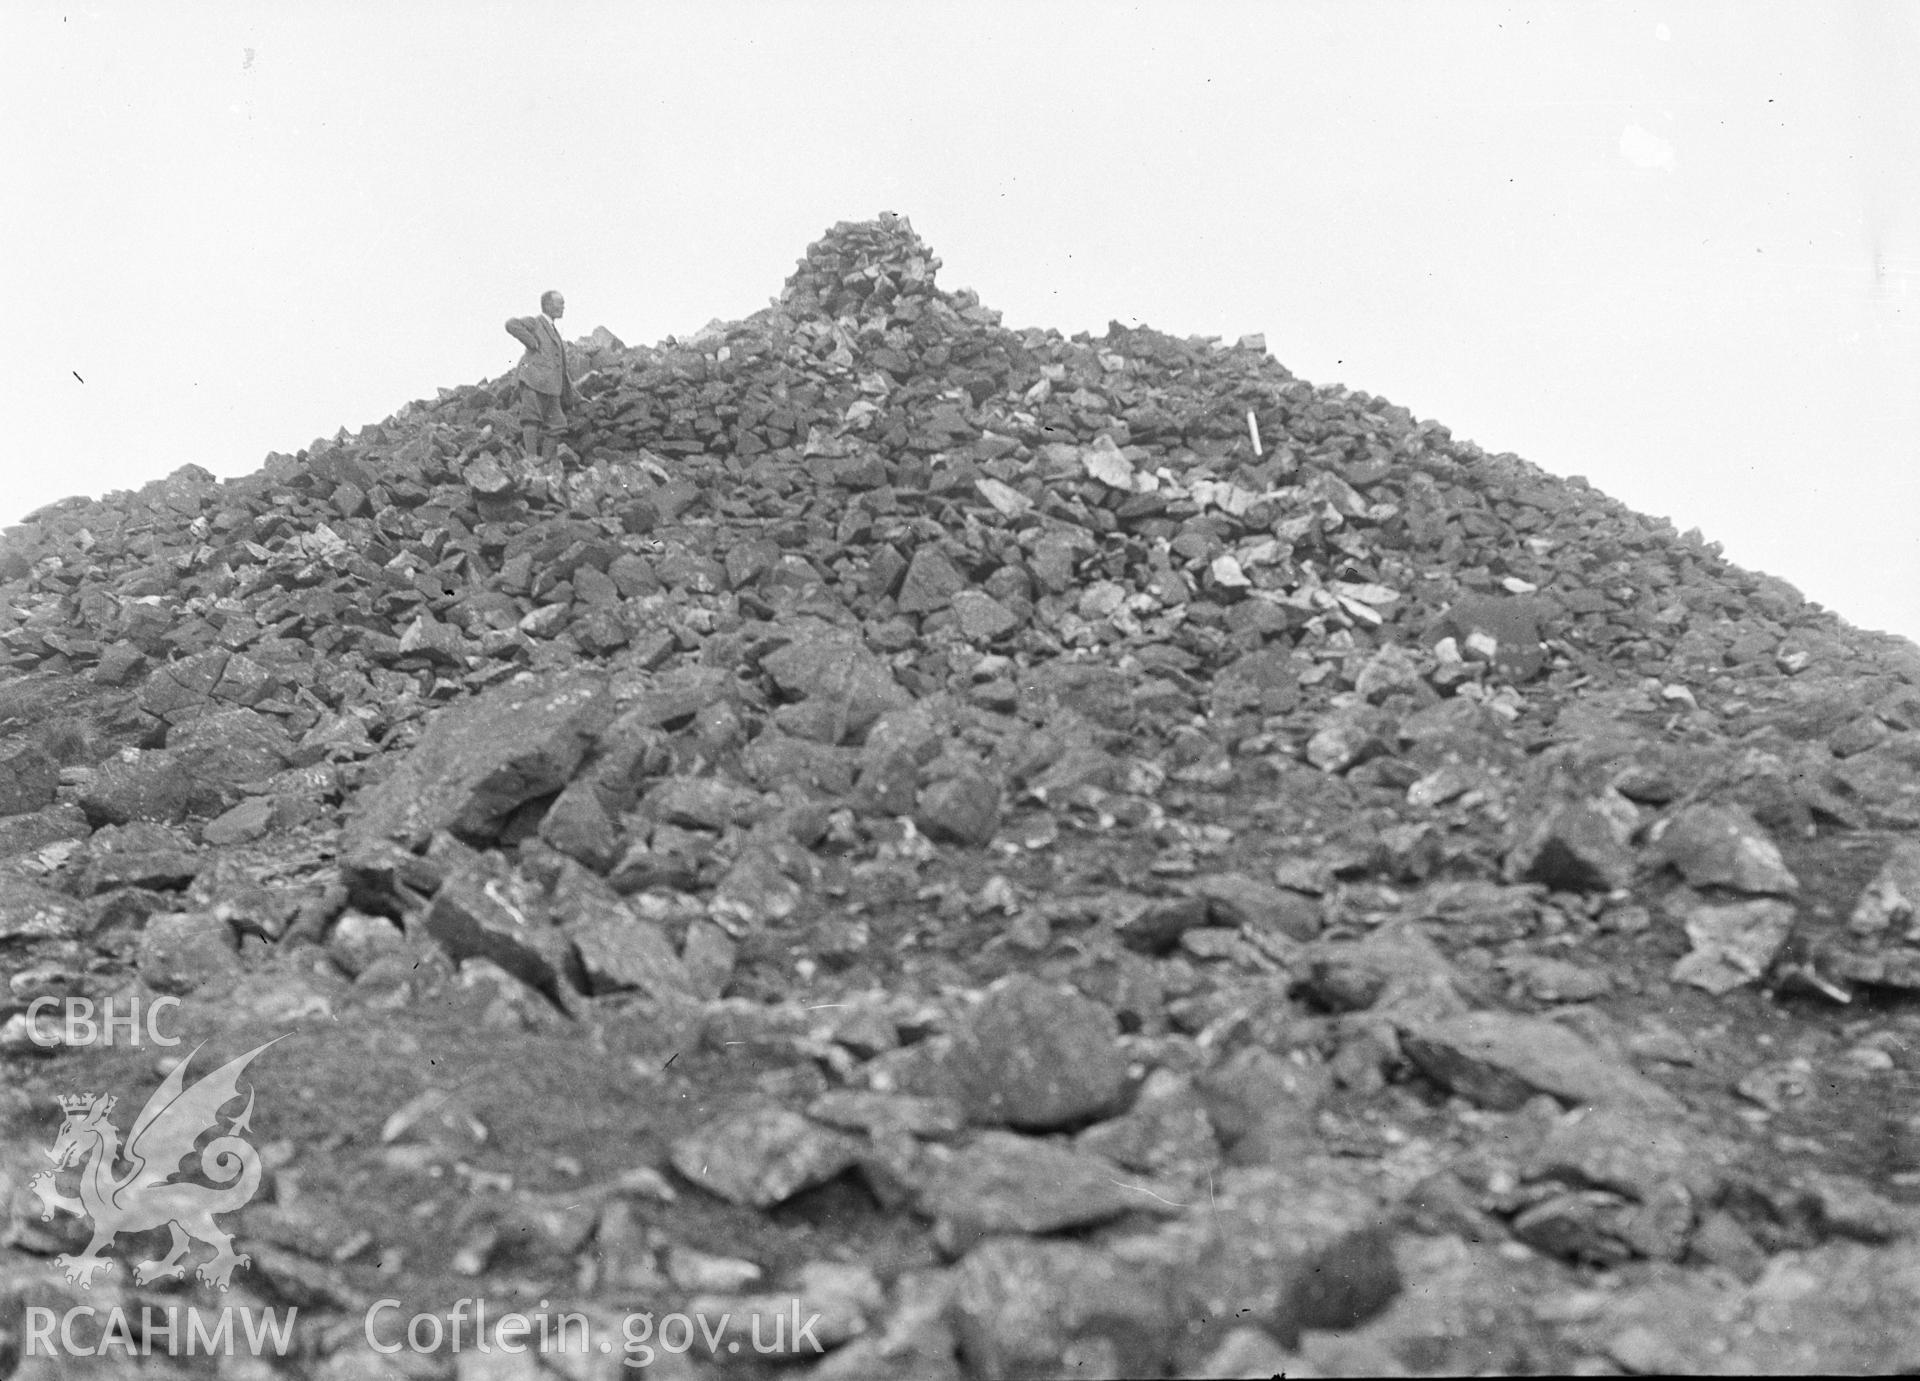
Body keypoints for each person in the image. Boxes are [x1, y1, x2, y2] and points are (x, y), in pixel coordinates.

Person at [505, 291, 575, 463]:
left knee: (558, 424)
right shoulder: (536, 322)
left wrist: (574, 394)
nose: (563, 307)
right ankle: (530, 458)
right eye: (560, 303)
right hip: (533, 379)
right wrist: (531, 341)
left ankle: (543, 461)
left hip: (552, 386)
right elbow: (511, 324)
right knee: (531, 417)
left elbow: (561, 368)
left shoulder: (553, 329)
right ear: (548, 305)